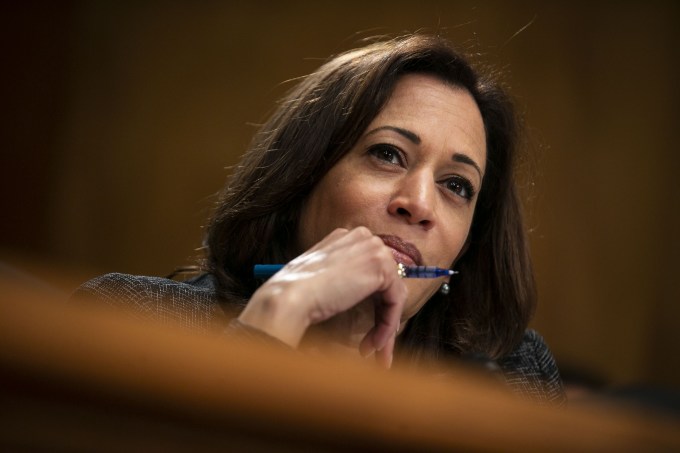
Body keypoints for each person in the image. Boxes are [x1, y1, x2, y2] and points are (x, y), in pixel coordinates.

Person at [75, 34, 565, 405]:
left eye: (456, 185)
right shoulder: (133, 319)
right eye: (388, 154)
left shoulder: (517, 373)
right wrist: (274, 319)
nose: (418, 203)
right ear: (303, 175)